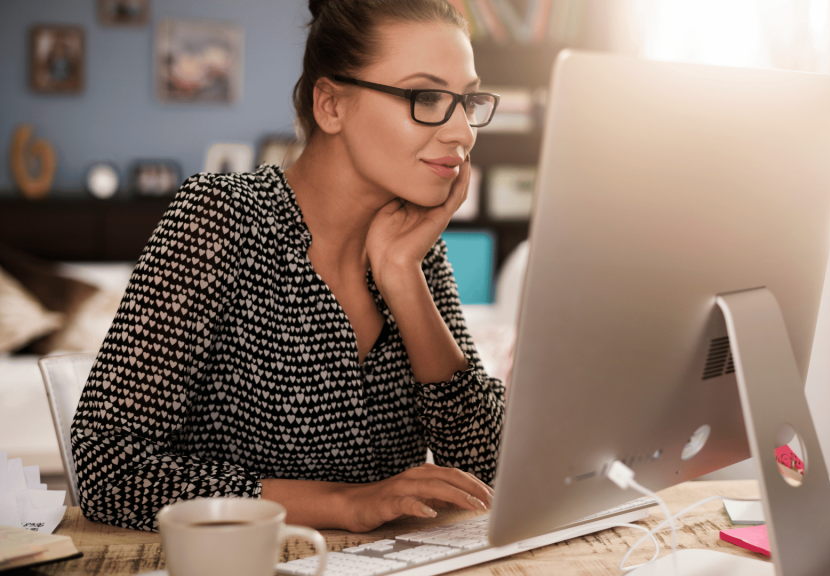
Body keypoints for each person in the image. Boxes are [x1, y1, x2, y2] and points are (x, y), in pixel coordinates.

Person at [71, 0, 505, 533]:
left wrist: (402, 276)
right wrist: (345, 505)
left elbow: (486, 465)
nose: (462, 131)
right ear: (330, 106)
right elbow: (107, 467)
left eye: (467, 101)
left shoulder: (417, 245)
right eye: (428, 97)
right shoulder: (222, 216)